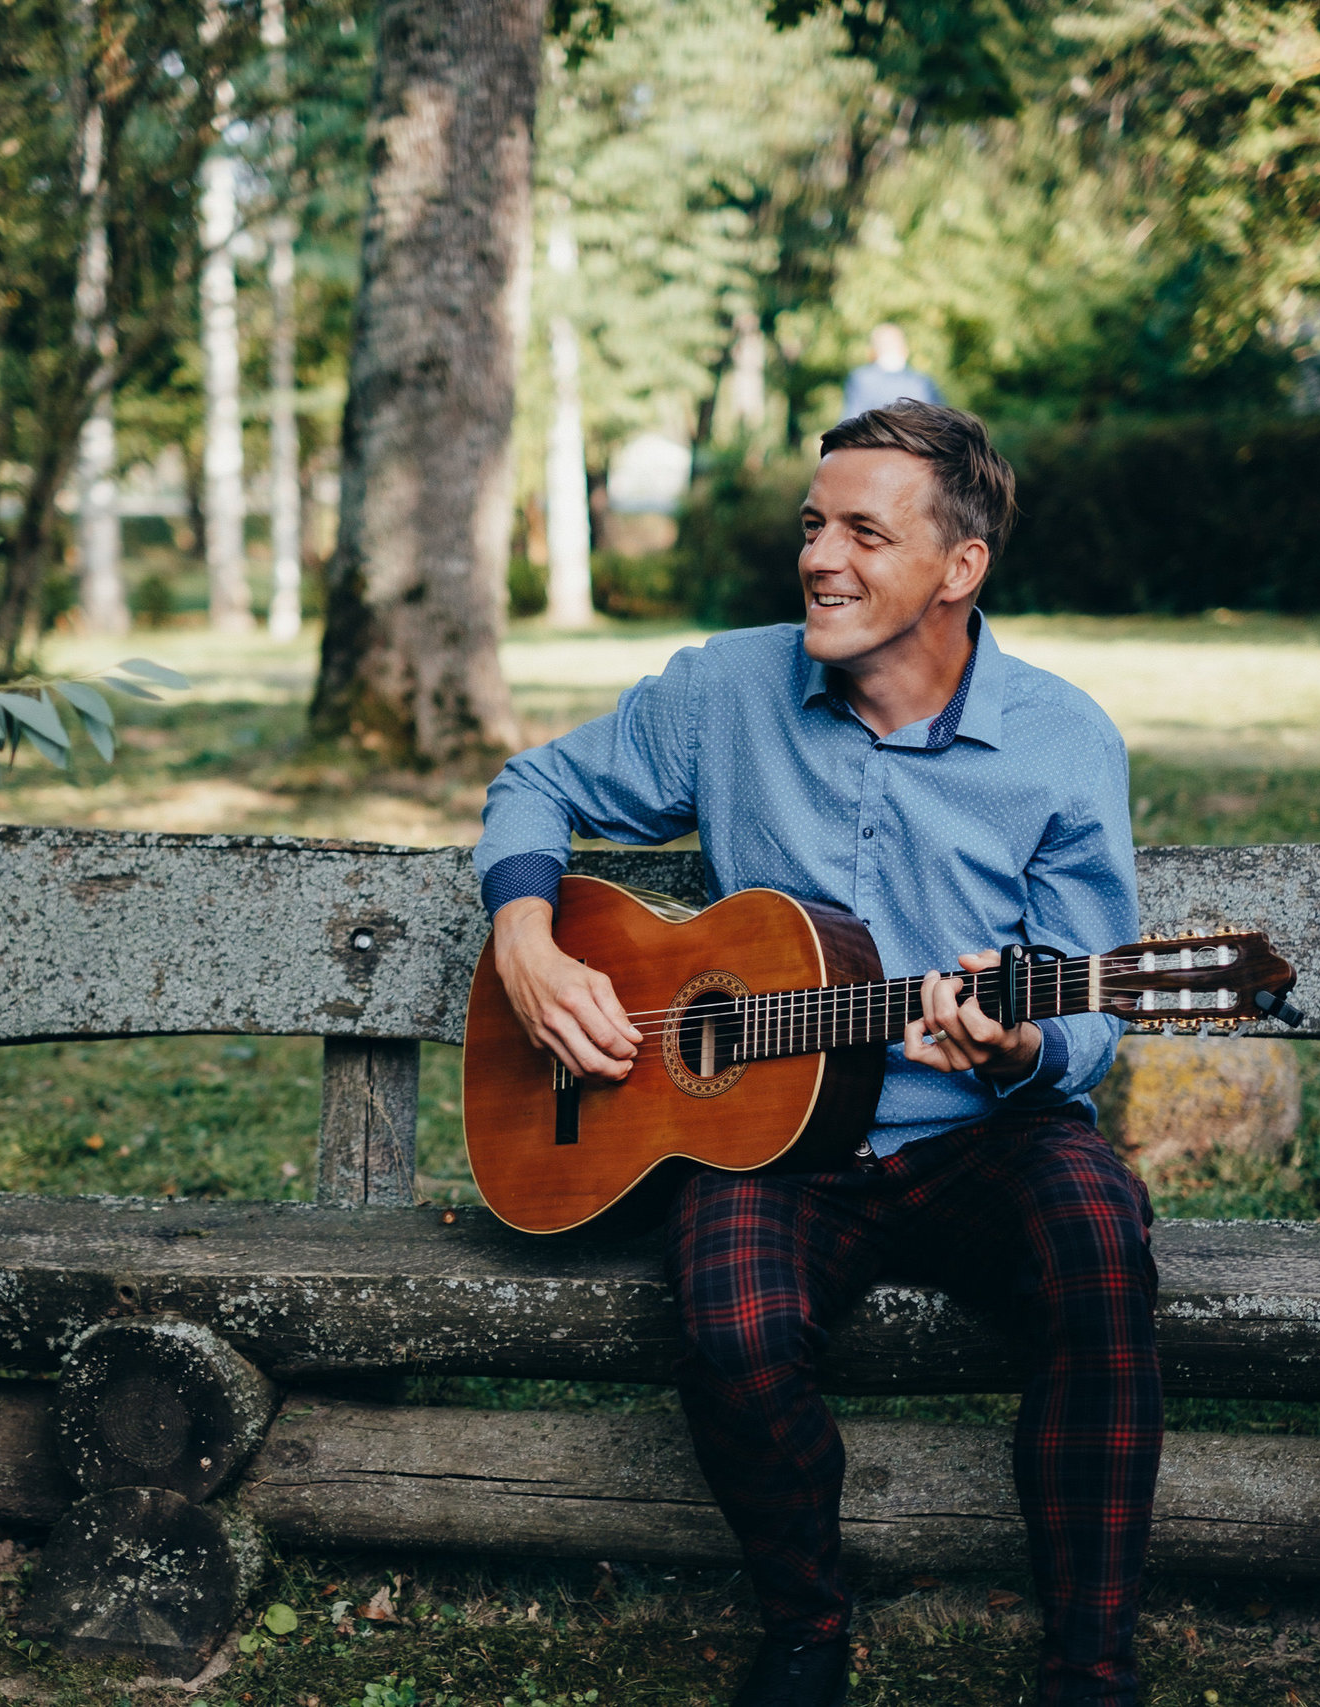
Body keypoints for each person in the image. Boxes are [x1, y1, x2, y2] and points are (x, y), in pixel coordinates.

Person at [474, 400, 1157, 1706]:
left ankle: (1090, 1659)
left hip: (982, 1137)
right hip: (770, 1140)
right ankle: (804, 1628)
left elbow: (1093, 1004)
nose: (819, 558)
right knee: (730, 1317)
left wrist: (1020, 1040)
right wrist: (526, 936)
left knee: (1100, 1245)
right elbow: (535, 785)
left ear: (960, 566)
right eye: (811, 525)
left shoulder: (1063, 741)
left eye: (862, 530)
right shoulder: (726, 687)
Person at [839, 323, 943, 422]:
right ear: (905, 349)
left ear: (873, 350)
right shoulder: (921, 382)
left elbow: (851, 421)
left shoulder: (861, 379)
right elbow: (940, 422)